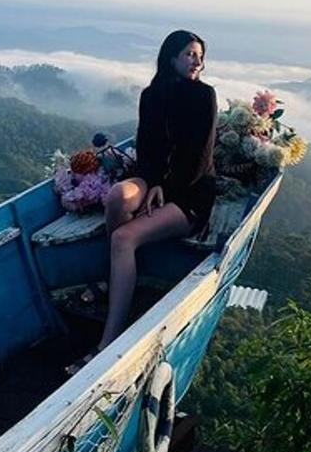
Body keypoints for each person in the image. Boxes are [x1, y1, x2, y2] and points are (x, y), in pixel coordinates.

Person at [66, 30, 217, 374]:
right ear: (170, 58)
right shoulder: (151, 95)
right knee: (117, 196)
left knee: (123, 237)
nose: (196, 61)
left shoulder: (204, 96)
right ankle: (116, 275)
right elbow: (147, 147)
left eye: (199, 55)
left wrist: (165, 186)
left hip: (189, 192)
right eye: (189, 54)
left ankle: (107, 342)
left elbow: (199, 158)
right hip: (152, 178)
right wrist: (152, 182)